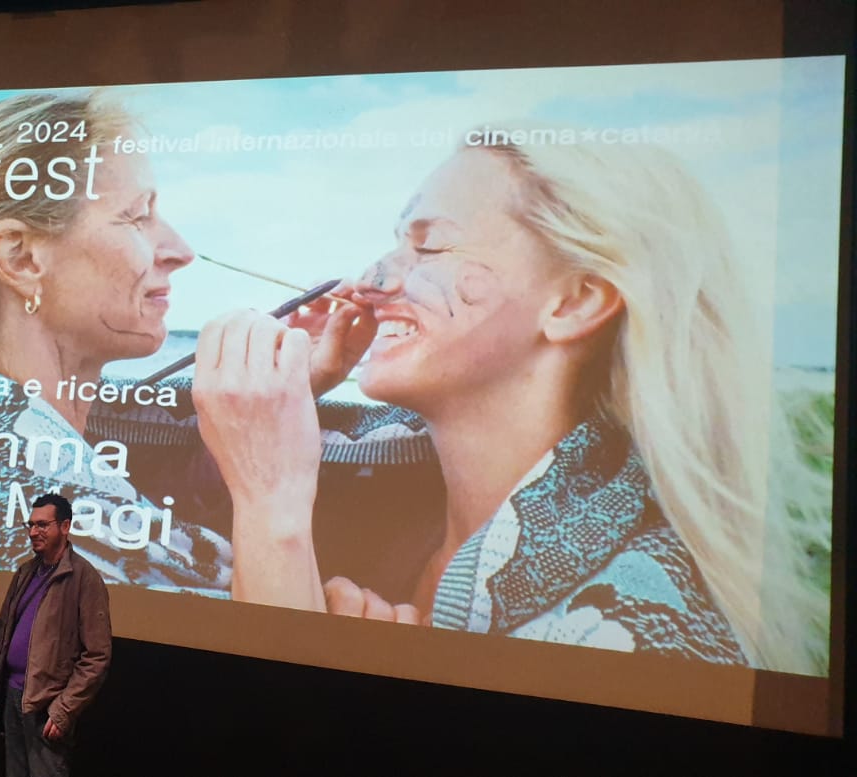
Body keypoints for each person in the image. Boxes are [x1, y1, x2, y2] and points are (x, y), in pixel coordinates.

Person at [191, 125, 829, 674]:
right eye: (395, 243)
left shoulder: (642, 633)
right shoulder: (371, 473)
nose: (370, 282)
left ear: (574, 301)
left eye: (430, 243)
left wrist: (271, 507)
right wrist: (292, 398)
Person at [0, 90, 230, 593]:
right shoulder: (35, 524)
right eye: (136, 215)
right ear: (20, 259)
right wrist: (273, 495)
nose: (180, 251)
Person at [0, 493, 111, 777]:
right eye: (30, 525)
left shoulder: (84, 578)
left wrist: (63, 709)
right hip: (13, 697)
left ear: (65, 527)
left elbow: (97, 656)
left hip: (46, 705)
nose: (33, 532)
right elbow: (3, 639)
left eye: (42, 525)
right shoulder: (25, 572)